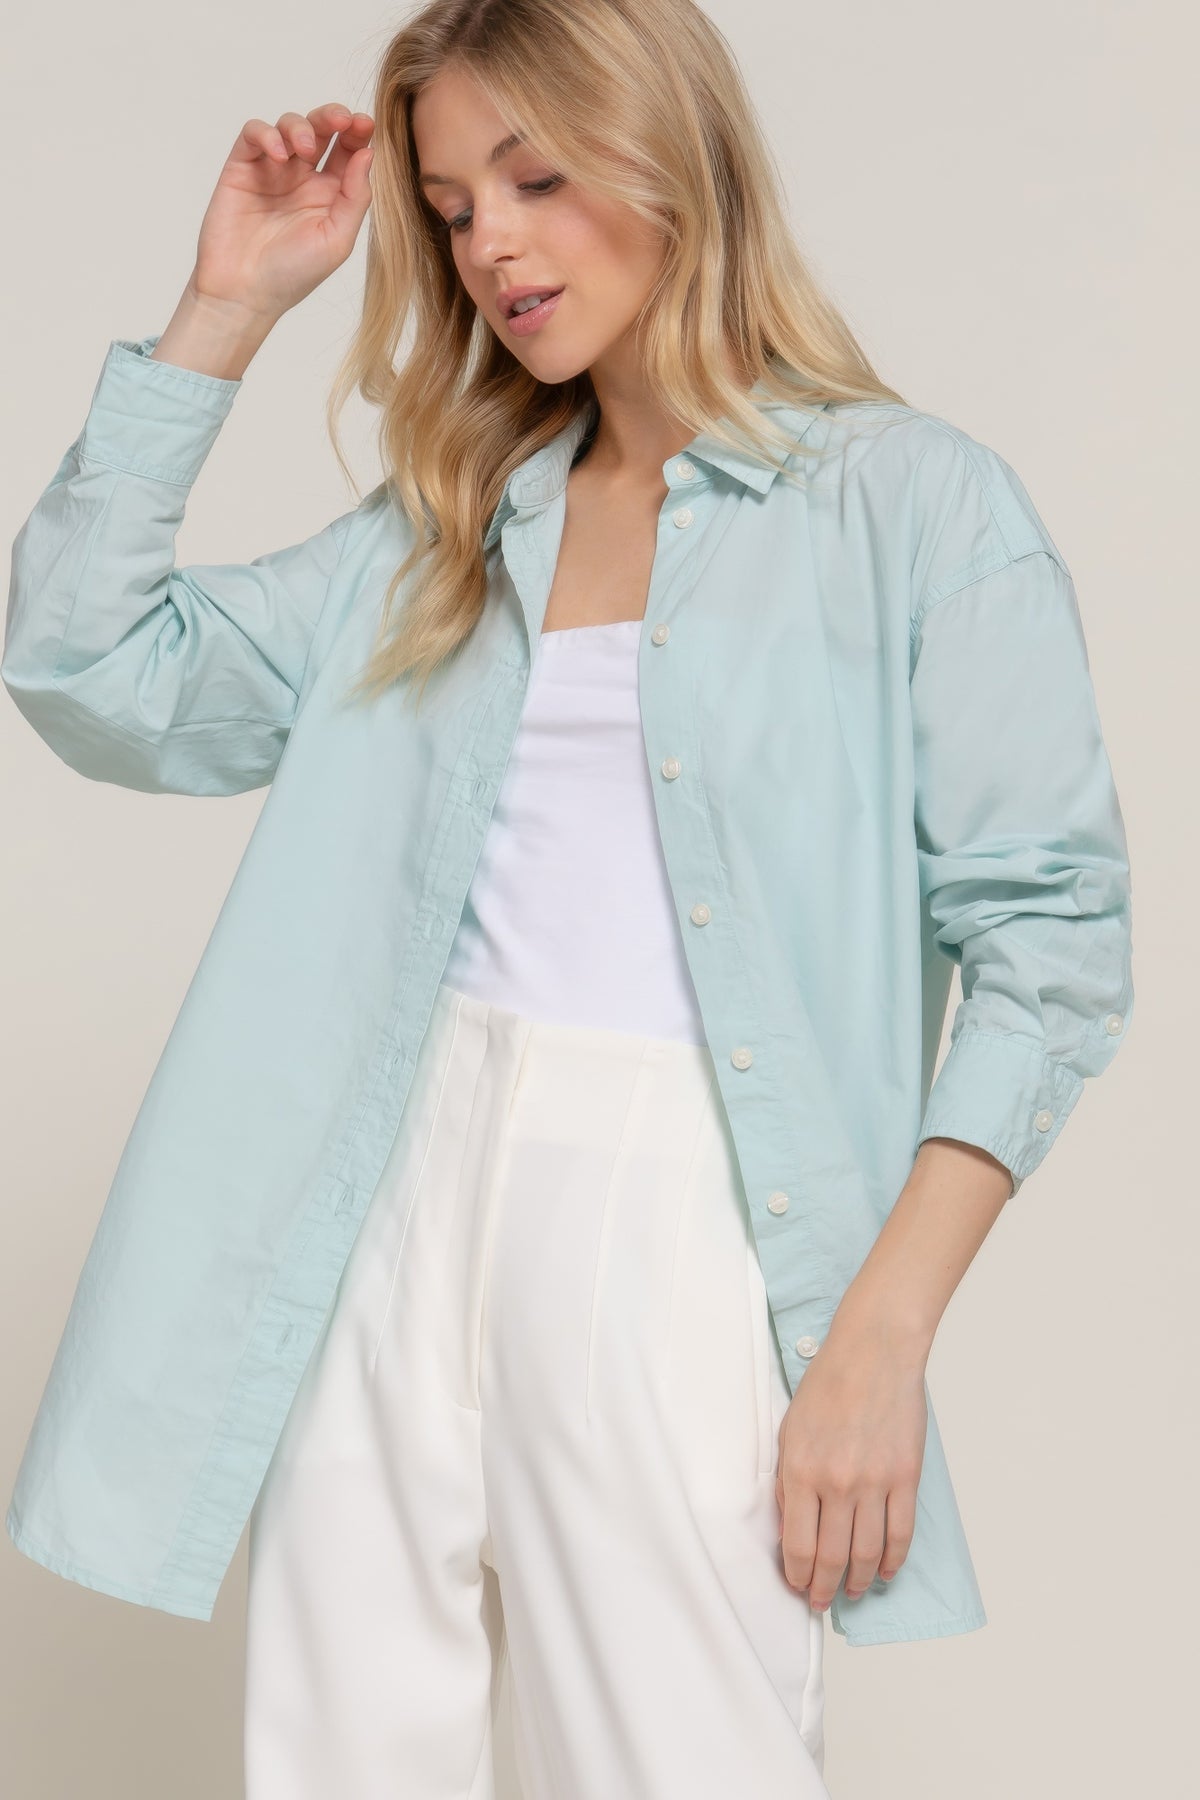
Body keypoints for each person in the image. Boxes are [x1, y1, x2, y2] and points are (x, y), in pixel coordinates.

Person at [3, 2, 1135, 1796]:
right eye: (454, 207)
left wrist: (878, 1340)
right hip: (387, 1207)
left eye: (534, 179)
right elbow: (87, 669)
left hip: (679, 1230)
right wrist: (222, 311)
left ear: (671, 156)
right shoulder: (442, 533)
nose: (493, 247)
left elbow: (1052, 950)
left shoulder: (913, 507)